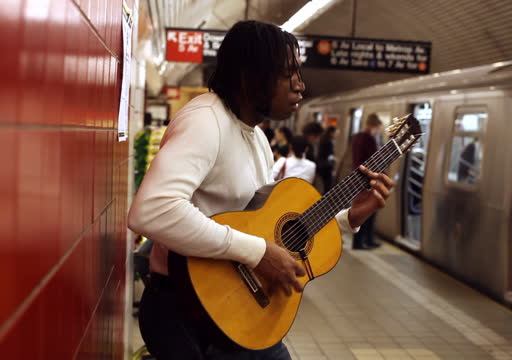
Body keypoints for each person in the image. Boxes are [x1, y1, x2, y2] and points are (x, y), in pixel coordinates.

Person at [127, 20, 394, 360]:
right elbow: (151, 210)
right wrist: (258, 253)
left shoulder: (256, 138)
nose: (301, 86)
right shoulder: (206, 122)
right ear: (248, 77)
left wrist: (349, 217)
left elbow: (263, 228)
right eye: (288, 74)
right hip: (186, 311)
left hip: (237, 308)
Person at [351, 113, 384, 250]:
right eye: (378, 127)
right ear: (374, 126)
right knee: (369, 212)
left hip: (358, 177)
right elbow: (374, 161)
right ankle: (362, 242)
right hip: (368, 179)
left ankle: (366, 240)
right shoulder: (369, 139)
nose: (378, 131)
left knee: (364, 211)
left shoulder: (357, 137)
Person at [316, 126, 337, 193]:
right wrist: (334, 159)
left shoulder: (323, 139)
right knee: (327, 185)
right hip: (326, 166)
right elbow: (329, 154)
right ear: (331, 132)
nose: (336, 134)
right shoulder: (328, 141)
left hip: (321, 165)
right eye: (335, 132)